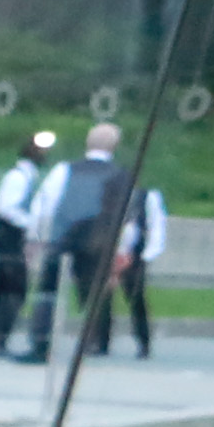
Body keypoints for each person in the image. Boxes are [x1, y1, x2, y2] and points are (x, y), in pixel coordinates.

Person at [32, 117, 146, 367]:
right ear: (115, 147)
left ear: (87, 142)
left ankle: (40, 342)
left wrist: (38, 236)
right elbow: (128, 218)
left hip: (64, 237)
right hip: (99, 241)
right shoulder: (122, 176)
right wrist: (124, 249)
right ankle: (95, 341)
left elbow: (45, 204)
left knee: (48, 291)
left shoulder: (65, 169)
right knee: (95, 292)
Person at [0, 124, 63, 354]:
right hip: (11, 243)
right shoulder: (17, 178)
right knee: (12, 292)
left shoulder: (29, 178)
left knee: (8, 292)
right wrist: (32, 226)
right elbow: (6, 209)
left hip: (15, 243)